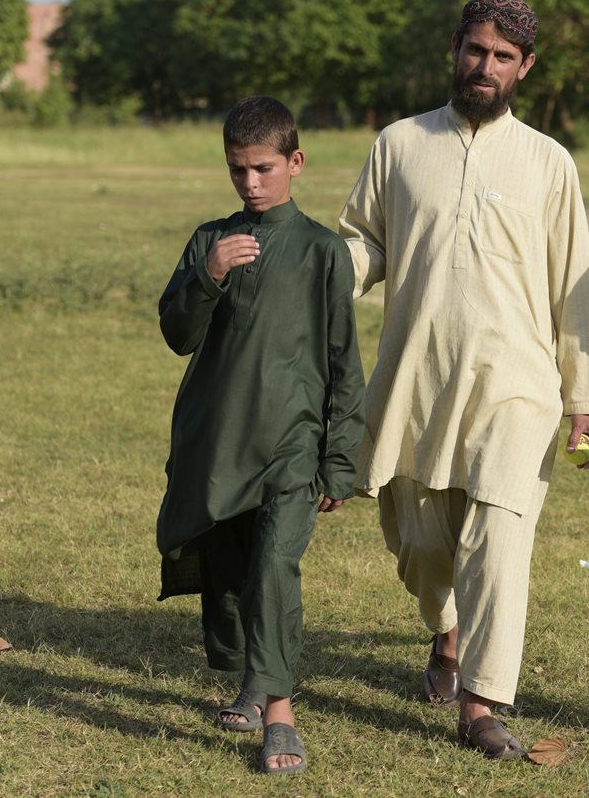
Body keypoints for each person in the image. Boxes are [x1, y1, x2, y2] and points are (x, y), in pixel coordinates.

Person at [338, 0, 589, 759]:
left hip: (516, 388)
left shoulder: (549, 163)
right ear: (454, 50)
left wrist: (586, 398)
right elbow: (362, 241)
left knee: (498, 541)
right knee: (421, 543)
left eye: (502, 57)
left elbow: (575, 286)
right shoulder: (399, 145)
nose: (485, 66)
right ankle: (447, 627)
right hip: (416, 382)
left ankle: (482, 703)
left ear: (526, 67)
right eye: (475, 50)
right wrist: (317, 277)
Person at [154, 96, 365, 776]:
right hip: (218, 443)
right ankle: (252, 677)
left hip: (292, 447)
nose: (250, 183)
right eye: (237, 170)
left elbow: (344, 362)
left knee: (275, 564)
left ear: (295, 162)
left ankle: (279, 714)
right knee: (234, 573)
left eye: (263, 168)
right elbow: (178, 335)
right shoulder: (209, 241)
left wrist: (340, 461)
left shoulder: (323, 251)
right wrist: (209, 274)